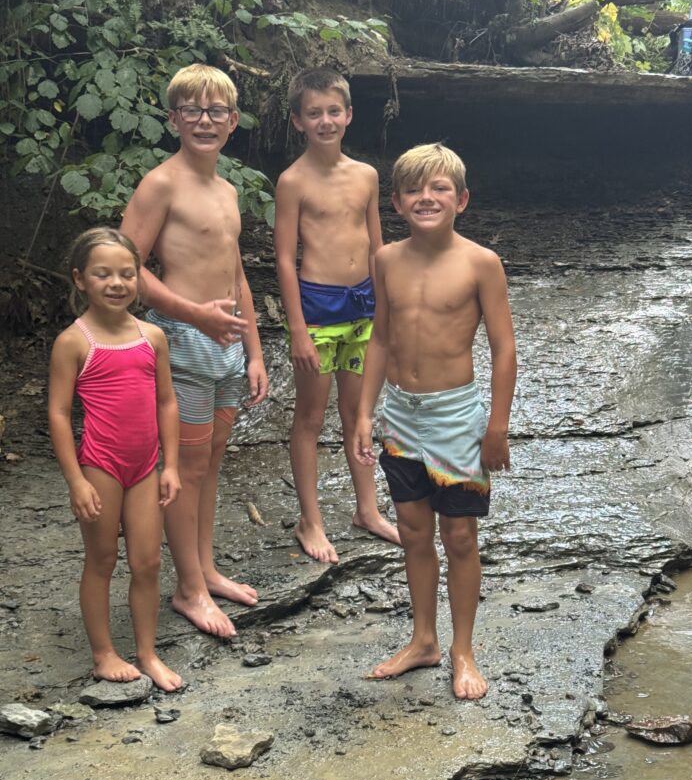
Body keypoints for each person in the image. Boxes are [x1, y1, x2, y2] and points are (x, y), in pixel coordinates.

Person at [354, 144, 517, 701]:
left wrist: (497, 424)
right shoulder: (386, 261)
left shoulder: (480, 263)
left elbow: (504, 348)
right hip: (401, 415)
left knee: (461, 536)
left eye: (440, 188)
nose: (427, 198)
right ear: (397, 202)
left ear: (462, 199)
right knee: (414, 533)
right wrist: (362, 412)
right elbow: (380, 337)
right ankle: (423, 639)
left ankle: (463, 650)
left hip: (456, 418)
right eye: (415, 190)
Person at [120, 64, 268, 639]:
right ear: (173, 118)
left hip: (228, 344)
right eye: (192, 110)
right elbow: (127, 270)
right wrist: (195, 315)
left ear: (233, 122)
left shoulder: (228, 189)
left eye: (216, 112)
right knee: (182, 468)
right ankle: (188, 589)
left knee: (210, 464)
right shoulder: (162, 183)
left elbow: (238, 278)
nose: (204, 121)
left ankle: (203, 569)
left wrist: (255, 351)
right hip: (181, 343)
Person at [48, 228, 183, 691]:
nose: (116, 283)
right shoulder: (74, 341)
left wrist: (172, 465)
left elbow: (167, 402)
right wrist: (76, 481)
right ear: (80, 279)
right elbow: (60, 414)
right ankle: (104, 653)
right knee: (102, 559)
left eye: (127, 274)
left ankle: (147, 652)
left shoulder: (153, 336)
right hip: (100, 465)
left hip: (145, 466)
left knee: (147, 563)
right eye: (102, 274)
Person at [274, 67, 399, 564]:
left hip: (364, 305)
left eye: (333, 111)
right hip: (319, 309)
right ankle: (311, 519)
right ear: (297, 121)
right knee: (309, 416)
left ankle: (366, 509)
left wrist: (386, 306)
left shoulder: (366, 175)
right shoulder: (292, 181)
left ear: (348, 115)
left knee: (358, 412)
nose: (325, 121)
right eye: (313, 113)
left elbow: (376, 244)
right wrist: (298, 329)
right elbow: (285, 258)